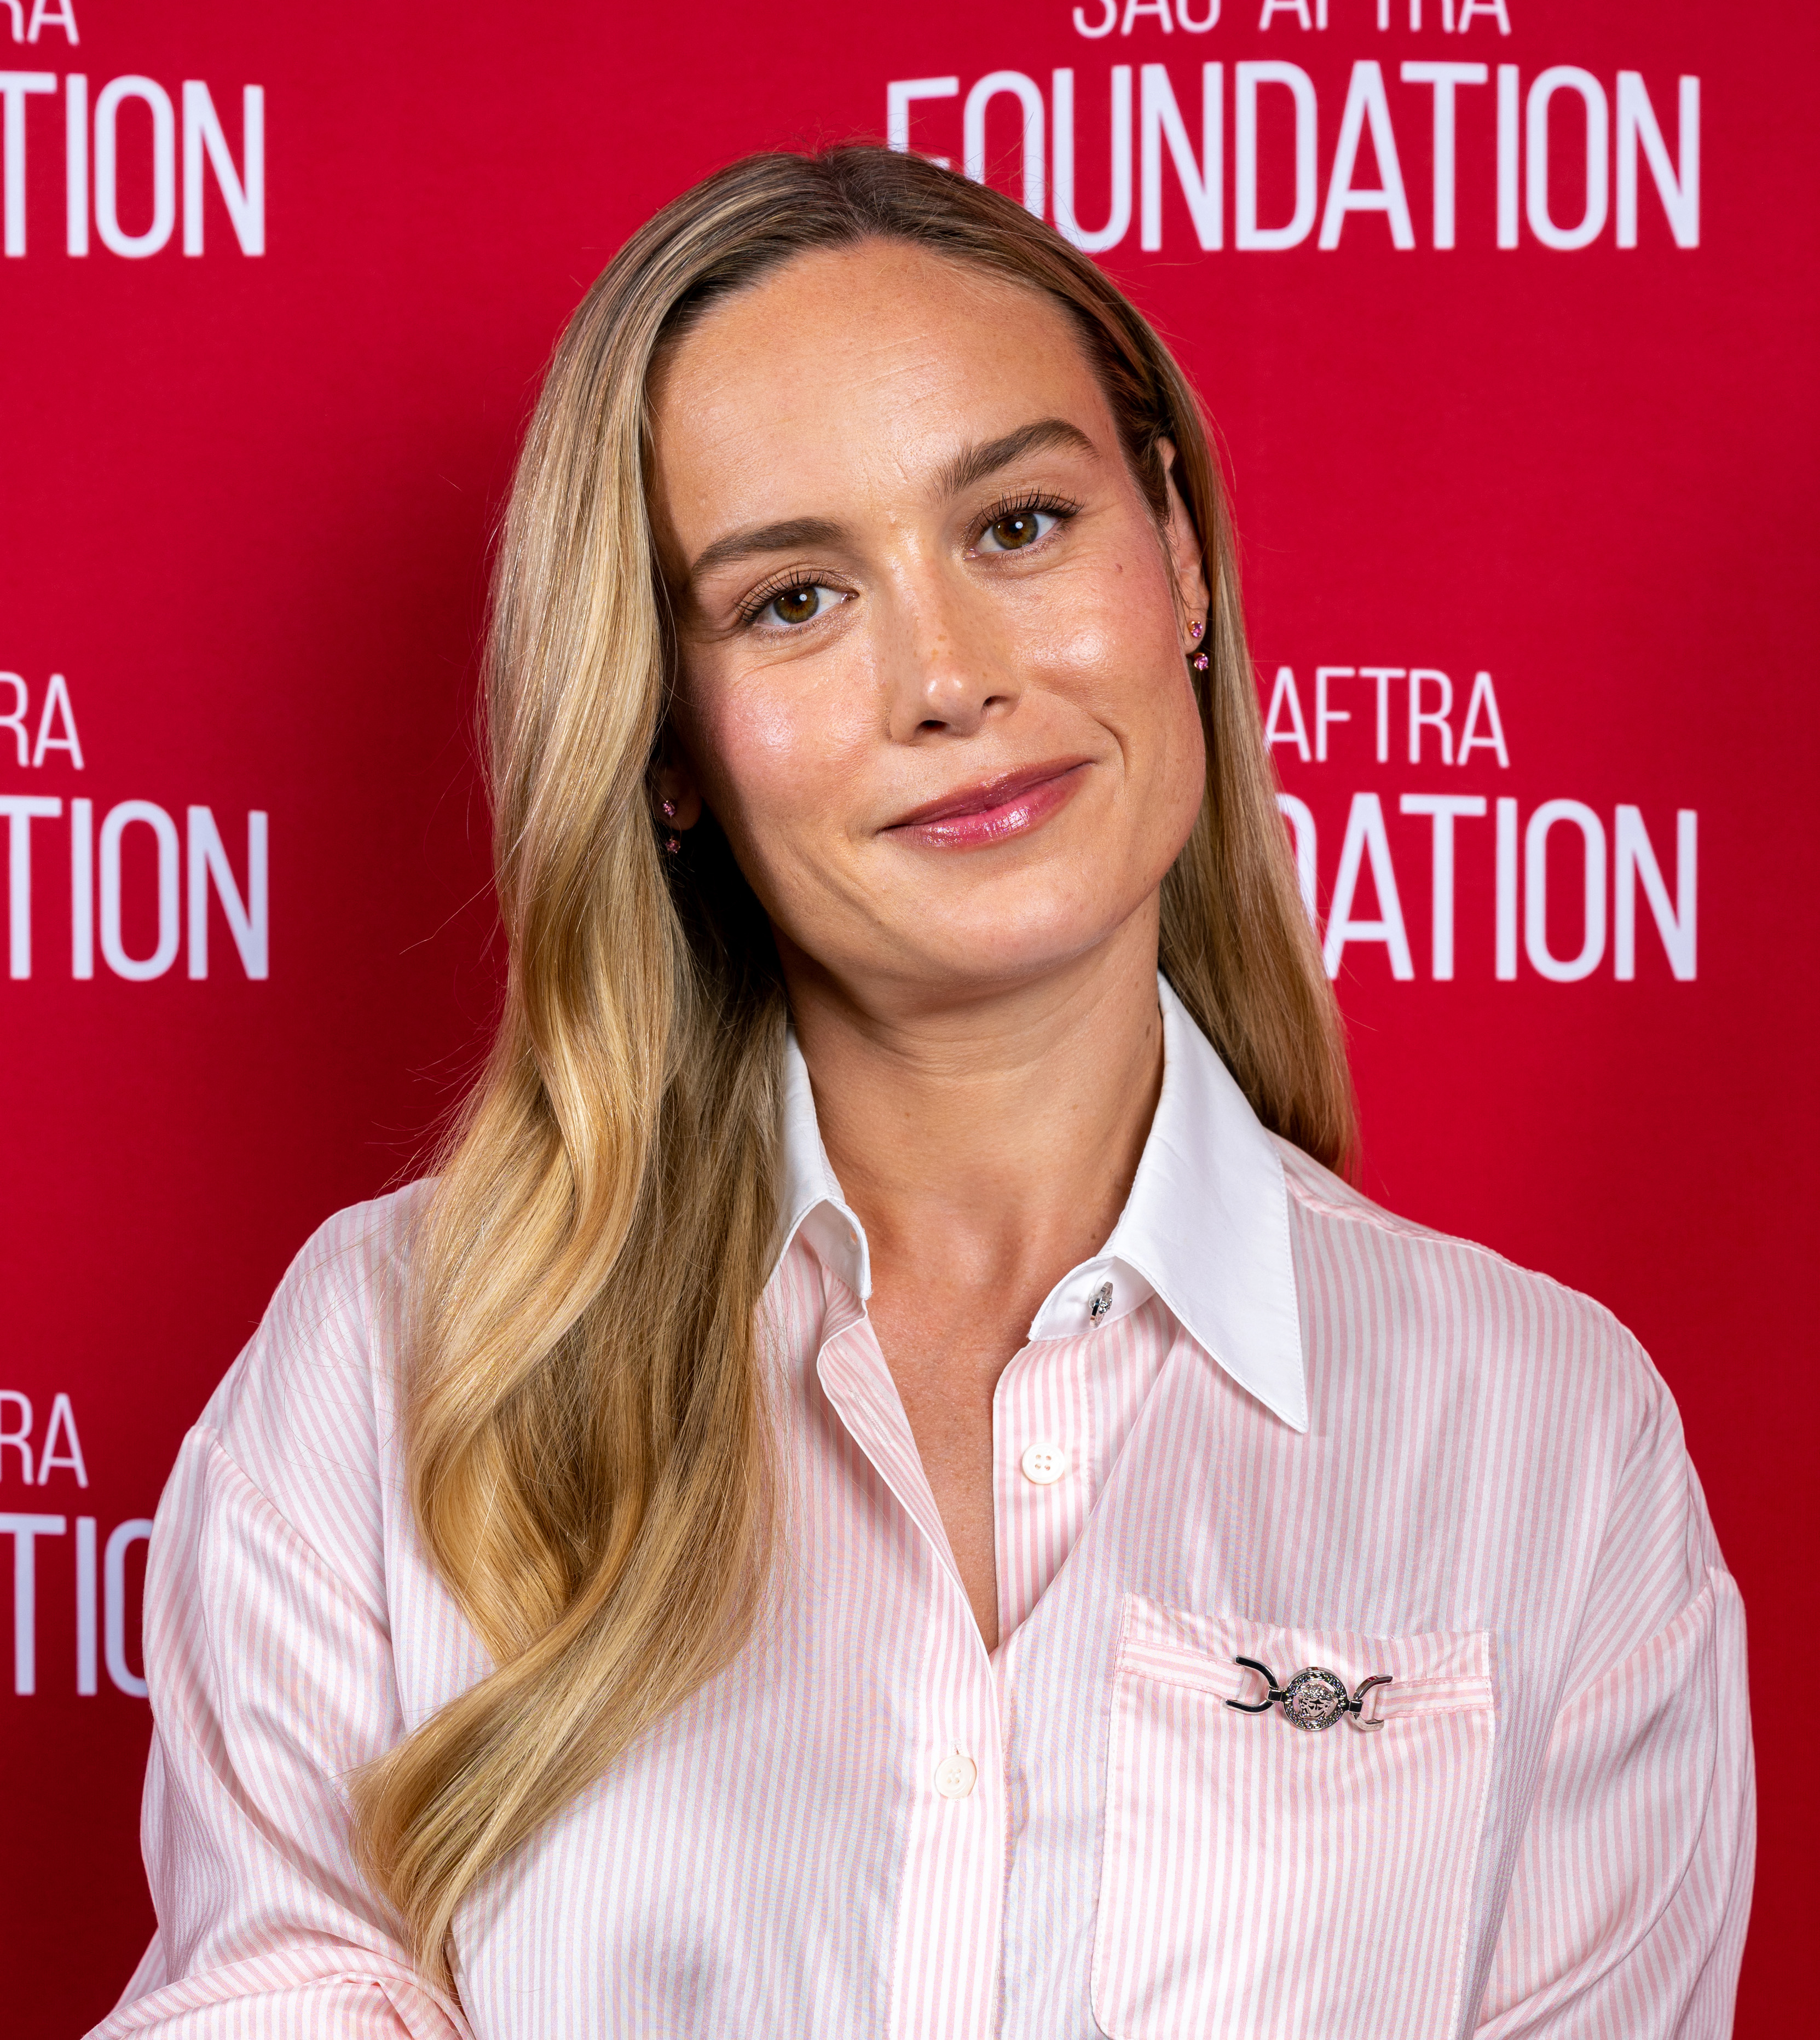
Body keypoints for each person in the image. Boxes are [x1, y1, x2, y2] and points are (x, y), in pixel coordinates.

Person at [94, 146, 1752, 2040]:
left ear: (1181, 563)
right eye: (795, 597)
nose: (949, 678)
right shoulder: (391, 1366)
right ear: (667, 747)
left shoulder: (1547, 1444)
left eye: (1021, 526)